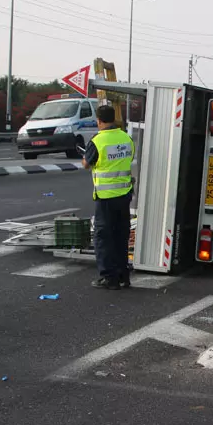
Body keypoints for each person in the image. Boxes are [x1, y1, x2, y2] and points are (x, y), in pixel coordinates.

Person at [81, 104, 134, 290]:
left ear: (99, 120)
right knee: (121, 236)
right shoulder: (126, 138)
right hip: (124, 195)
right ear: (114, 119)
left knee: (103, 237)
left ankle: (108, 278)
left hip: (105, 197)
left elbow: (87, 164)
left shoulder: (98, 140)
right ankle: (123, 276)